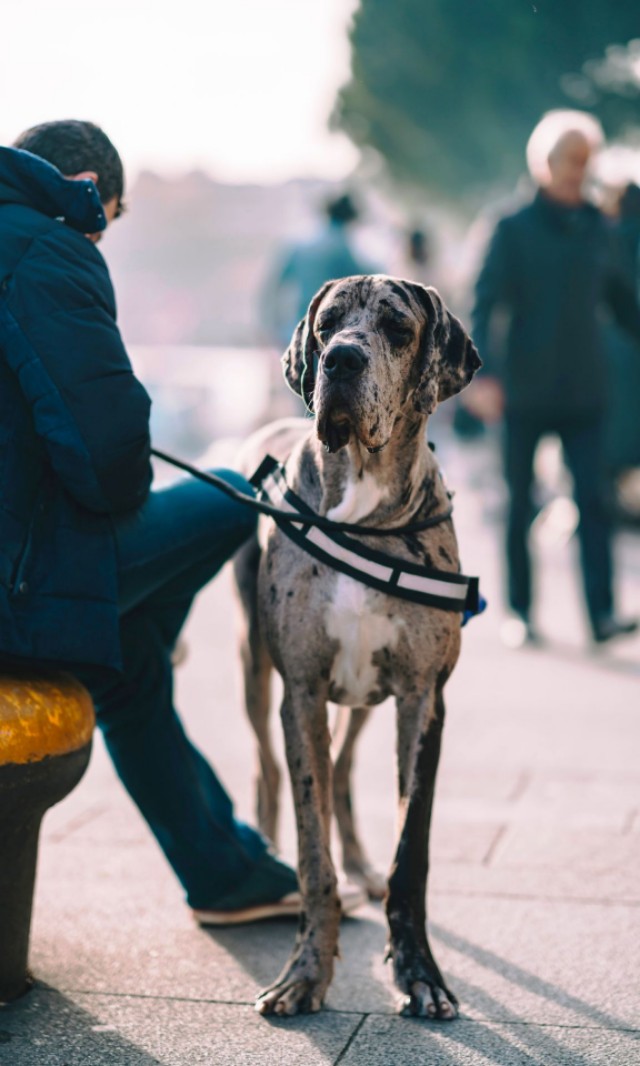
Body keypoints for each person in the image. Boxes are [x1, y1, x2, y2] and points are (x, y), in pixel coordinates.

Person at [0, 120, 364, 924]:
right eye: (112, 217)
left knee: (127, 663)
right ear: (91, 193)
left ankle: (228, 875)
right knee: (236, 493)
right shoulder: (50, 249)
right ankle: (224, 869)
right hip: (17, 586)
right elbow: (107, 457)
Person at [470, 110, 640, 647]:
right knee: (520, 503)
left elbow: (622, 304)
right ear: (543, 163)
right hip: (523, 391)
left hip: (585, 390)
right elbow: (484, 304)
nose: (577, 172)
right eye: (569, 161)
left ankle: (603, 615)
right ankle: (519, 612)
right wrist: (482, 376)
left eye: (585, 162)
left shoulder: (600, 228)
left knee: (594, 503)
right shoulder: (511, 227)